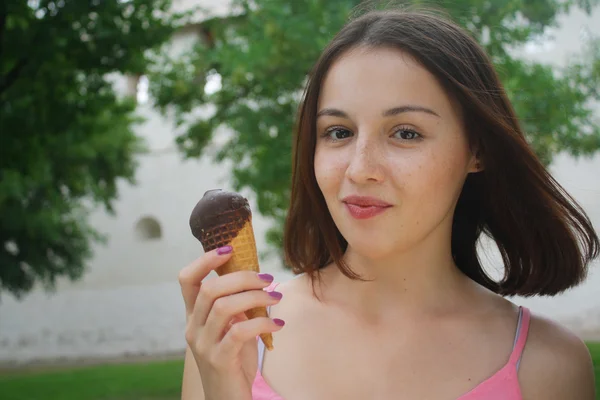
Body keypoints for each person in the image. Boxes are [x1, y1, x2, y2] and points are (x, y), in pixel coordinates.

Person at [178, 7, 600, 400]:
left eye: (406, 133)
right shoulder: (232, 340)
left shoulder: (550, 368)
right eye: (339, 132)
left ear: (477, 150)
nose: (361, 170)